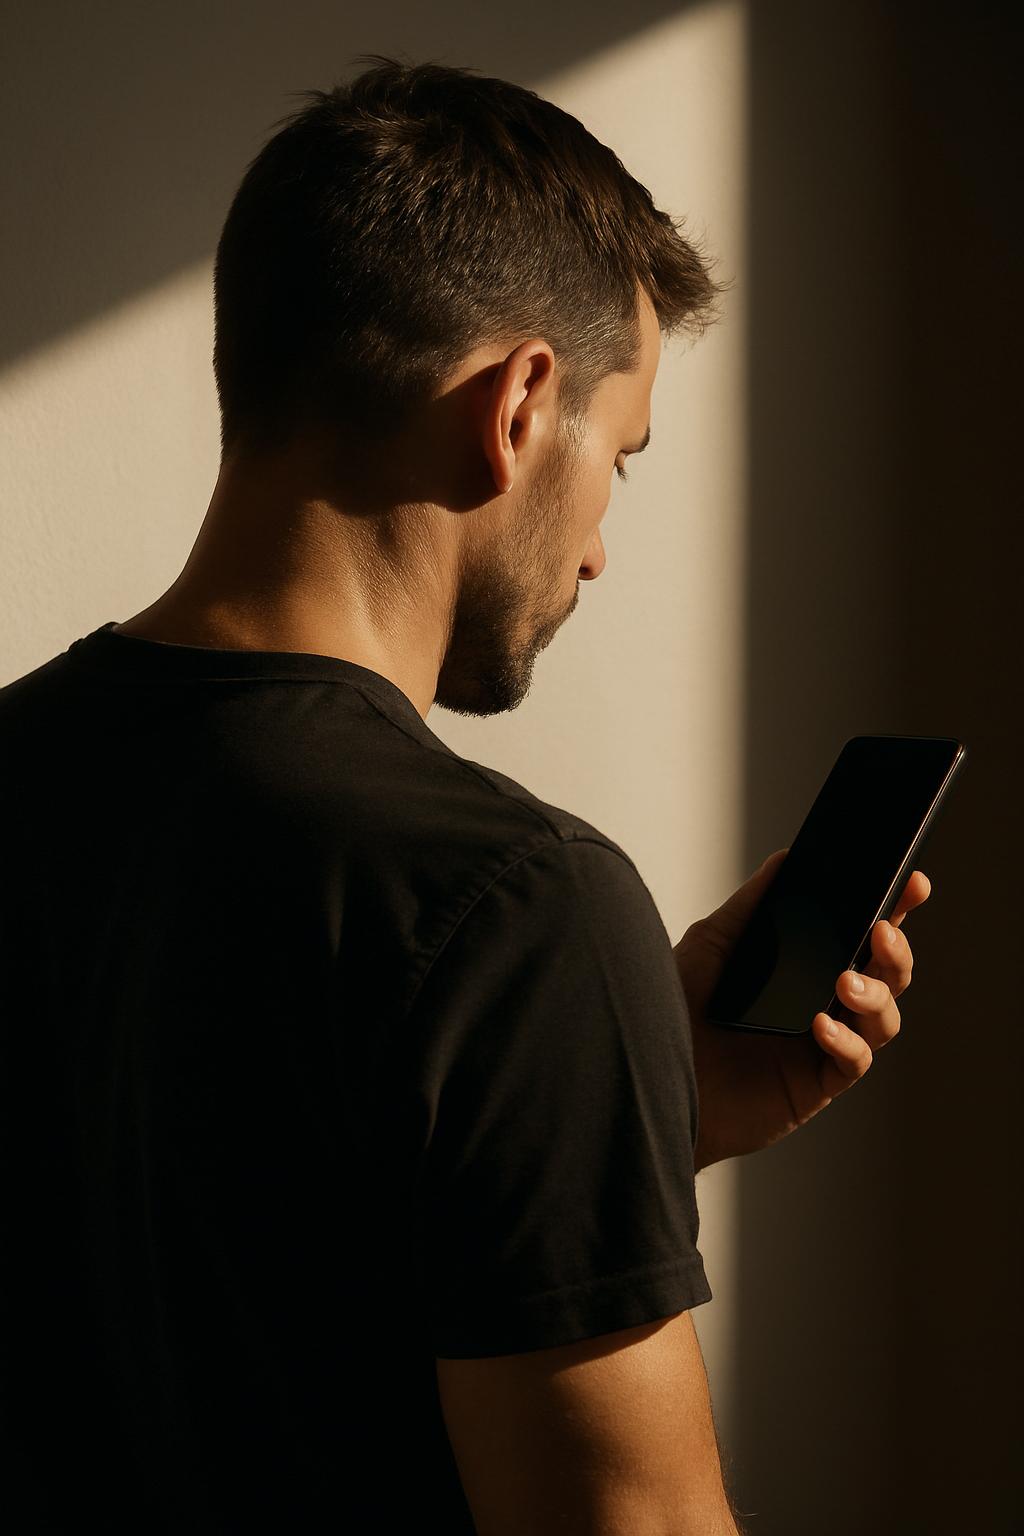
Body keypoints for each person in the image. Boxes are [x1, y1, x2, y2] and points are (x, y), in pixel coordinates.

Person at [0, 54, 929, 1535]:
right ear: (517, 406)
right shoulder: (515, 908)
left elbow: (184, 1258)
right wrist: (569, 1026)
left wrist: (626, 1115)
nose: (601, 553)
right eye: (618, 463)